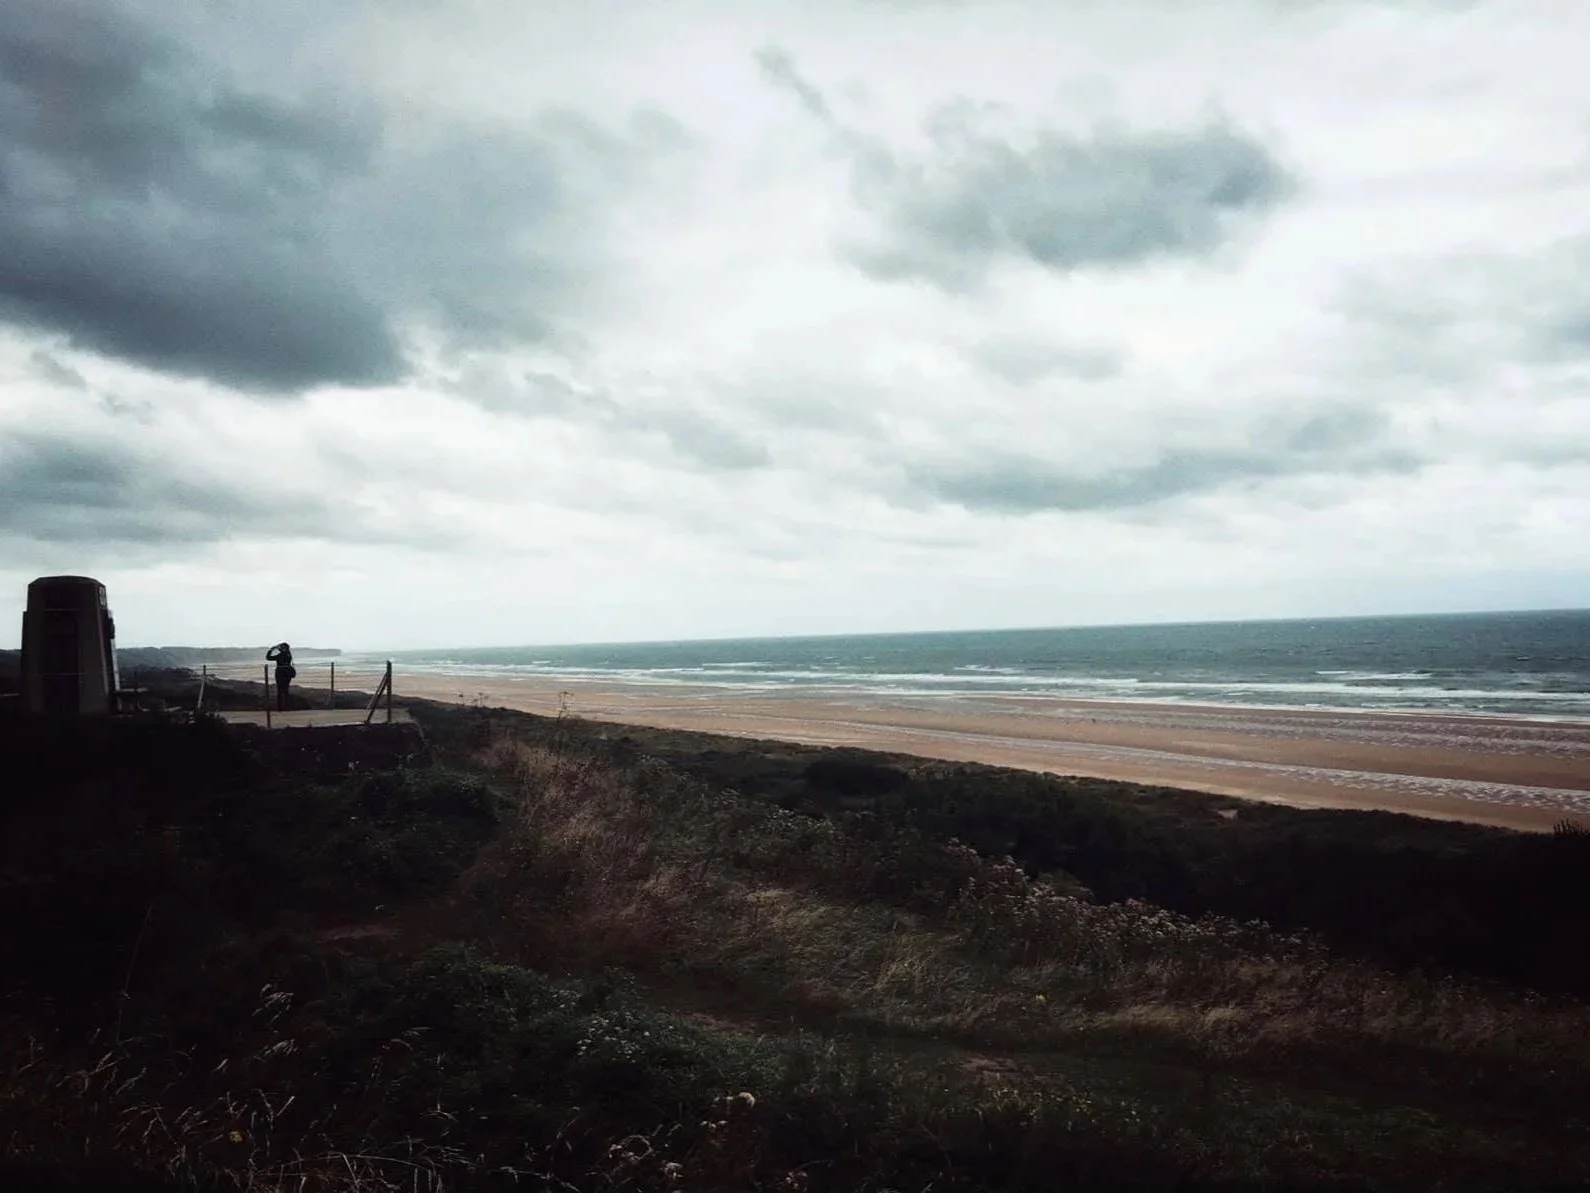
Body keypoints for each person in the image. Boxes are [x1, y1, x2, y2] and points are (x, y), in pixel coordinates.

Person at [265, 641, 296, 711]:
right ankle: (286, 707)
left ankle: (280, 707)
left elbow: (268, 658)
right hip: (287, 673)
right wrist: (278, 648)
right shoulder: (289, 654)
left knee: (280, 690)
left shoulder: (280, 655)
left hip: (280, 673)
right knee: (285, 690)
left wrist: (271, 650)